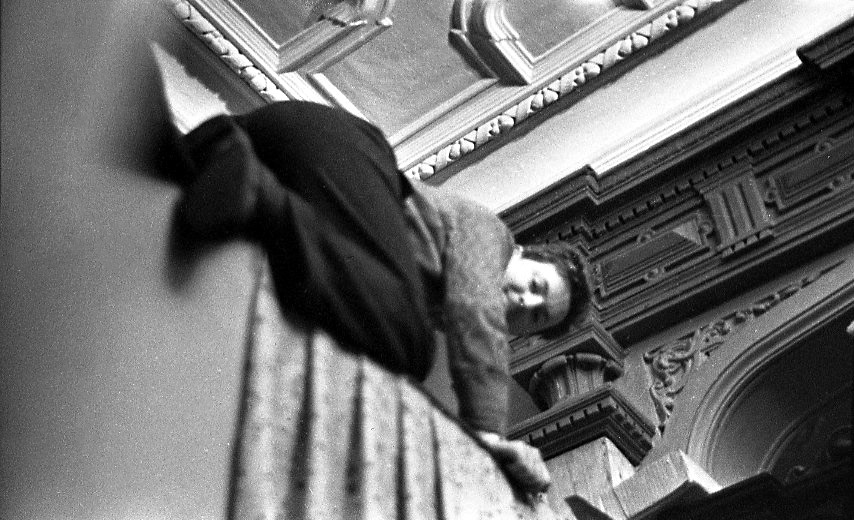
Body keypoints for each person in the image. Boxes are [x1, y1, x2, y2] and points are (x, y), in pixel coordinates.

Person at [174, 101, 590, 492]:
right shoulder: (492, 236)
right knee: (410, 345)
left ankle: (210, 161)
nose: (525, 303)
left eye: (537, 317)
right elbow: (476, 310)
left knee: (391, 336)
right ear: (523, 254)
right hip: (340, 145)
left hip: (290, 151)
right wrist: (489, 435)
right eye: (536, 286)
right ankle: (255, 188)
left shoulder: (410, 289)